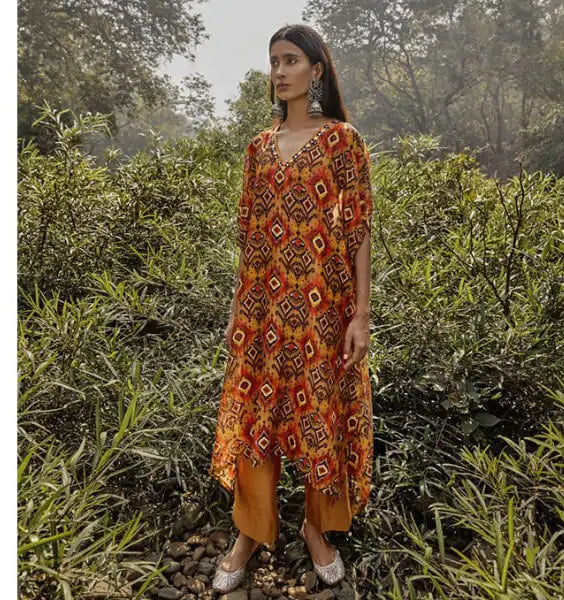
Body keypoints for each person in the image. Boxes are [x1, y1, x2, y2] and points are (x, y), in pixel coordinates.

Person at [208, 23, 374, 593]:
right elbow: (250, 236)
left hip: (323, 308)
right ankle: (249, 533)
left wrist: (360, 315)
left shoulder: (343, 141)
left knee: (320, 414)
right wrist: (237, 307)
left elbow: (358, 233)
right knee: (258, 417)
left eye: (291, 61)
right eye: (273, 61)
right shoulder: (258, 147)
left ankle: (315, 527)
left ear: (317, 71)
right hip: (262, 309)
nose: (279, 71)